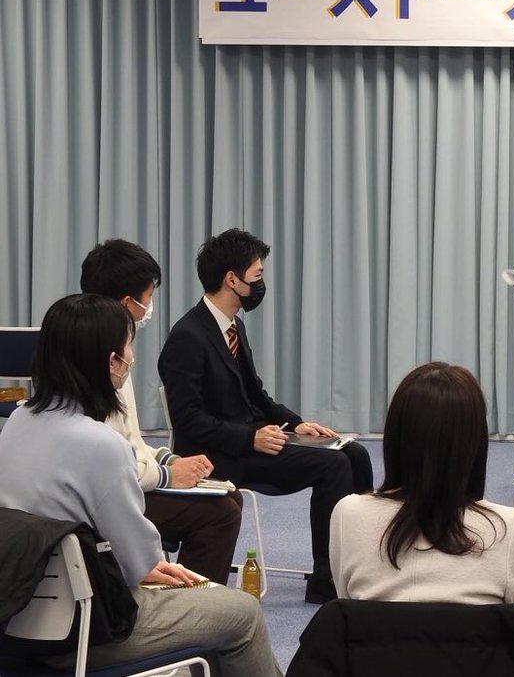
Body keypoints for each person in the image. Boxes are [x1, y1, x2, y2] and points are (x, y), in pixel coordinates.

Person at [0, 294, 281, 675]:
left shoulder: (17, 423)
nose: (132, 357)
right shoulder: (101, 445)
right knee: (242, 613)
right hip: (88, 630)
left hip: (15, 620)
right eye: (129, 347)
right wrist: (150, 563)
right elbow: (139, 563)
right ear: (112, 362)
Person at [157, 228, 373, 604]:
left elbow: (256, 393)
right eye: (256, 275)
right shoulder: (188, 337)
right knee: (334, 466)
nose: (260, 284)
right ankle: (326, 580)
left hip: (252, 439)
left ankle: (358, 563)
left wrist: (296, 423)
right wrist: (249, 438)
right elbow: (188, 420)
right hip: (222, 455)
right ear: (232, 279)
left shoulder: (232, 326)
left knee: (355, 453)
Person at [80, 239, 243, 585]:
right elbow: (112, 468)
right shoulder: (106, 362)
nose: (149, 308)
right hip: (108, 501)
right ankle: (189, 605)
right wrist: (169, 475)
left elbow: (130, 441)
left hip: (125, 483)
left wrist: (169, 459)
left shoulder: (98, 346)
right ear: (127, 303)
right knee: (221, 513)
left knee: (228, 496)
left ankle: (186, 595)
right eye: (149, 296)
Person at [330, 363, 514, 603]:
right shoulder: (512, 530)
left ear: (395, 437)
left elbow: (347, 609)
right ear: (475, 444)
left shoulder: (347, 515)